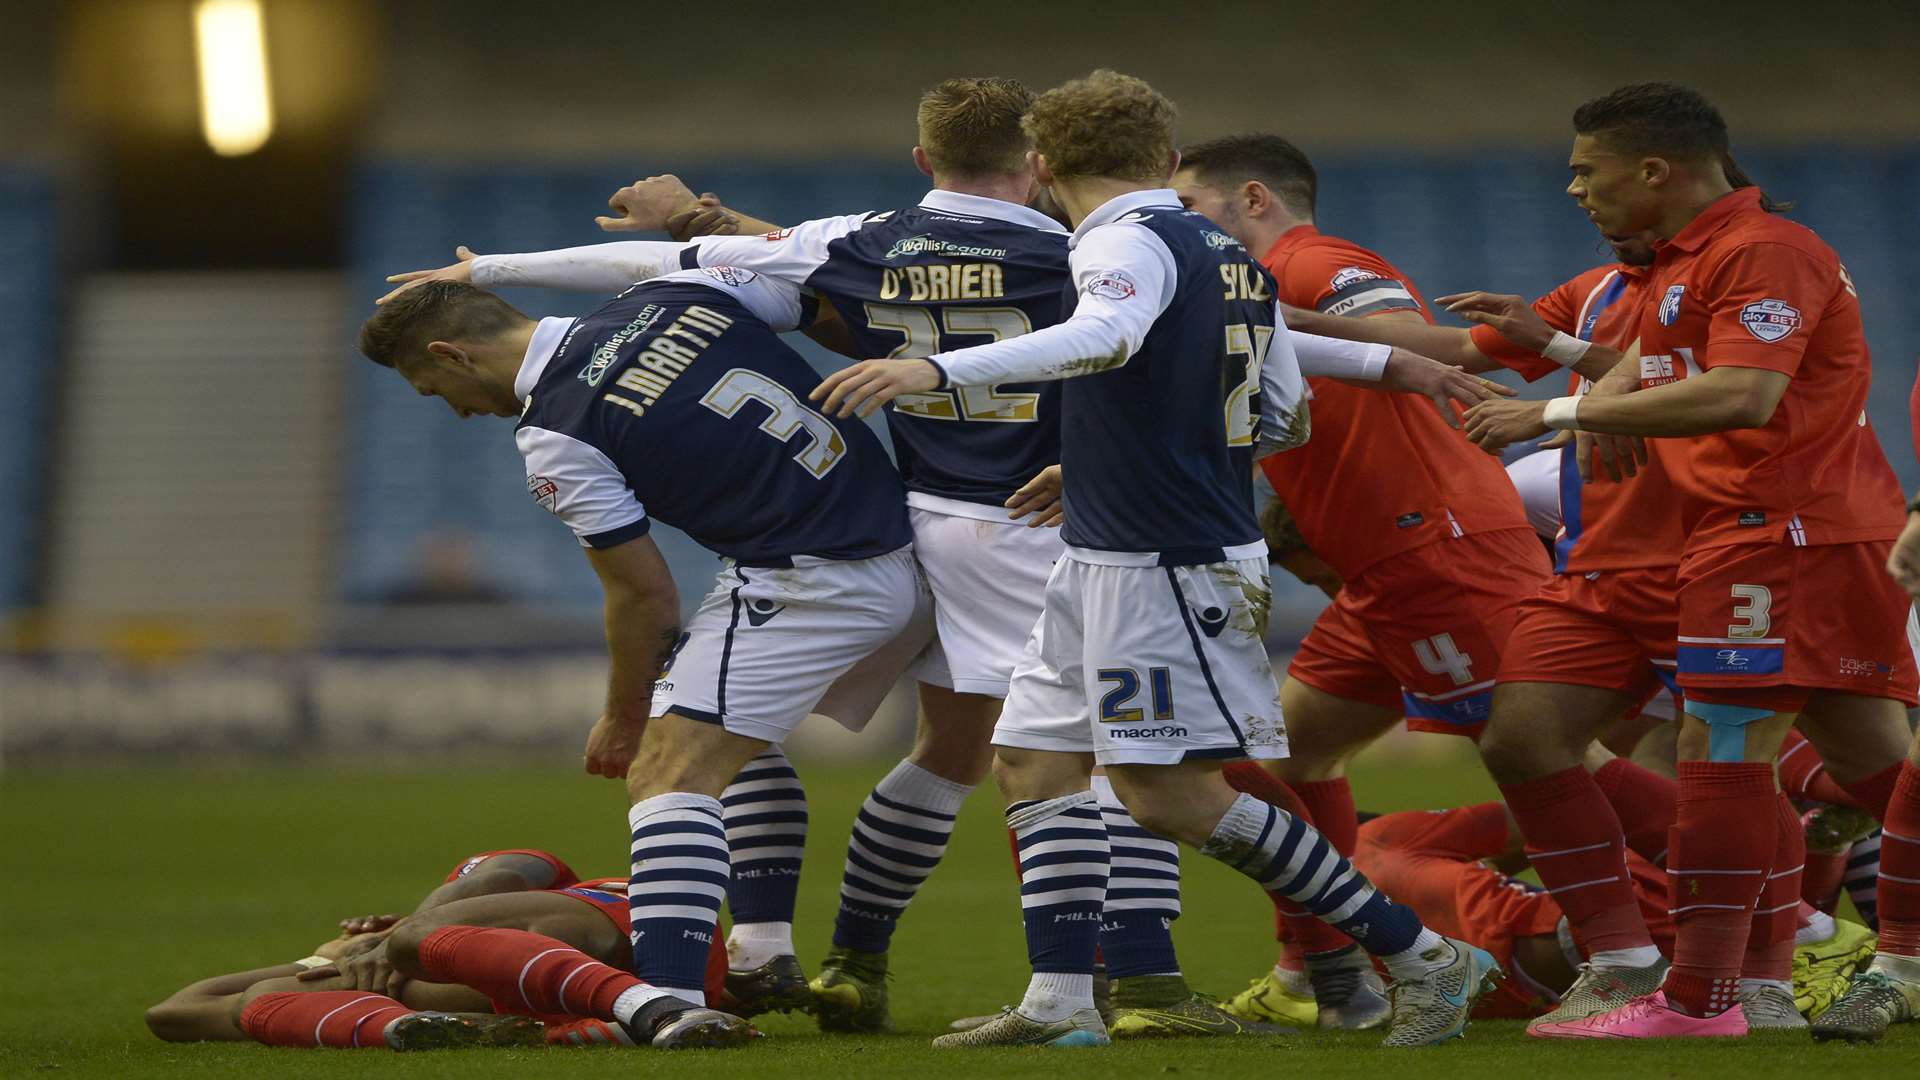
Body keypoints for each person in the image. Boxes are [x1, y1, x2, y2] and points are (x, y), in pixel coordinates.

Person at [812, 69, 1505, 1050]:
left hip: (1167, 564)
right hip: (1108, 547)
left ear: (1044, 167)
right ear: (1170, 160)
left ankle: (1424, 957)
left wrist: (932, 367)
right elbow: (1281, 409)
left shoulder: (1119, 244)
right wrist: (1108, 459)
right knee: (1033, 759)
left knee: (1168, 794)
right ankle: (1059, 1004)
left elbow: (1105, 336)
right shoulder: (1222, 248)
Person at [355, 265, 924, 1040]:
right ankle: (760, 953)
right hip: (907, 531)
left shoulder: (557, 431)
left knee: (666, 769)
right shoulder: (665, 298)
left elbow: (642, 596)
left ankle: (672, 1002)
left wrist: (620, 718)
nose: (455, 413)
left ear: (453, 355)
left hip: (814, 577)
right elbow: (821, 298)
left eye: (434, 390)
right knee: (735, 743)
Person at [1461, 82, 1917, 1039]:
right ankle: (1724, 987)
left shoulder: (1763, 253)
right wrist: (1584, 382)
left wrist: (1559, 411)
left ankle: (1706, 998)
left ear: (1654, 170)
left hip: (1786, 531)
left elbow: (1744, 395)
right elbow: (1642, 375)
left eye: (1587, 170)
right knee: (1860, 764)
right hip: (1742, 534)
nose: (1573, 187)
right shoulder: (1682, 268)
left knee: (1731, 758)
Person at [1169, 133, 1558, 1029]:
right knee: (1288, 757)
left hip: (1437, 543)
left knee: (1547, 754)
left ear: (1255, 200)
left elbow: (1418, 346)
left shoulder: (1315, 262)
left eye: (1192, 207)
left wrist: (1272, 321)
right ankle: (1315, 969)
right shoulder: (1237, 289)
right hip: (1377, 568)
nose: (1180, 227)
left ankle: (1784, 929)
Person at [146, 849, 736, 1050]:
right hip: (563, 987)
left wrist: (395, 934)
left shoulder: (530, 885)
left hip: (642, 930)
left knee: (413, 946)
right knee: (267, 997)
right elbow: (169, 1014)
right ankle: (649, 1011)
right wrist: (324, 962)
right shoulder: (385, 971)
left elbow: (493, 876)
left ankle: (652, 1009)